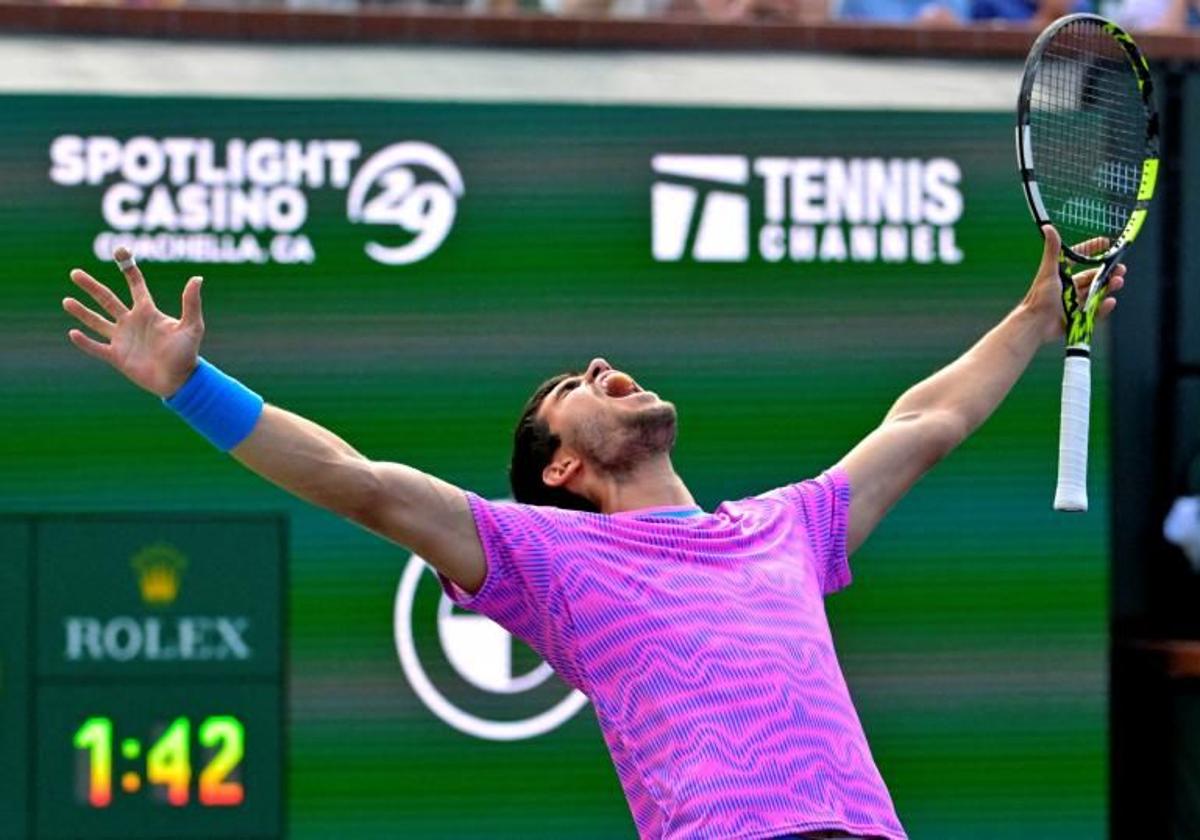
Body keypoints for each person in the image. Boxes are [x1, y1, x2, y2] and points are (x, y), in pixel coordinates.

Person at [62, 226, 1123, 840]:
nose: (608, 367)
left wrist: (1036, 314)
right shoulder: (547, 557)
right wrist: (188, 384)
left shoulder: (786, 526)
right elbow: (359, 483)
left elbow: (925, 422)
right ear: (561, 467)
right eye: (577, 387)